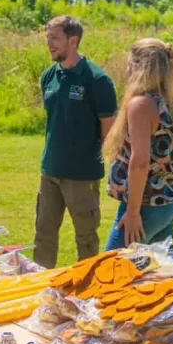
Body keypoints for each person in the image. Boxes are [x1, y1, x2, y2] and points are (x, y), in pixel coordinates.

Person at [34, 16, 118, 269]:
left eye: (55, 38)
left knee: (86, 238)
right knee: (43, 234)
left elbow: (109, 132)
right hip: (50, 171)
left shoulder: (97, 80)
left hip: (82, 176)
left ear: (73, 40)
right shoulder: (48, 76)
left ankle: (88, 284)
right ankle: (39, 282)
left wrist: (107, 167)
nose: (49, 44)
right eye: (48, 38)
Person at [103, 38, 173, 250]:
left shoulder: (141, 105)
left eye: (129, 63)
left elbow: (139, 163)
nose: (127, 69)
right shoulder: (170, 103)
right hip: (169, 203)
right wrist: (164, 167)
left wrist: (132, 213)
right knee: (156, 268)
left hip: (146, 206)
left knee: (111, 266)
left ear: (138, 66)